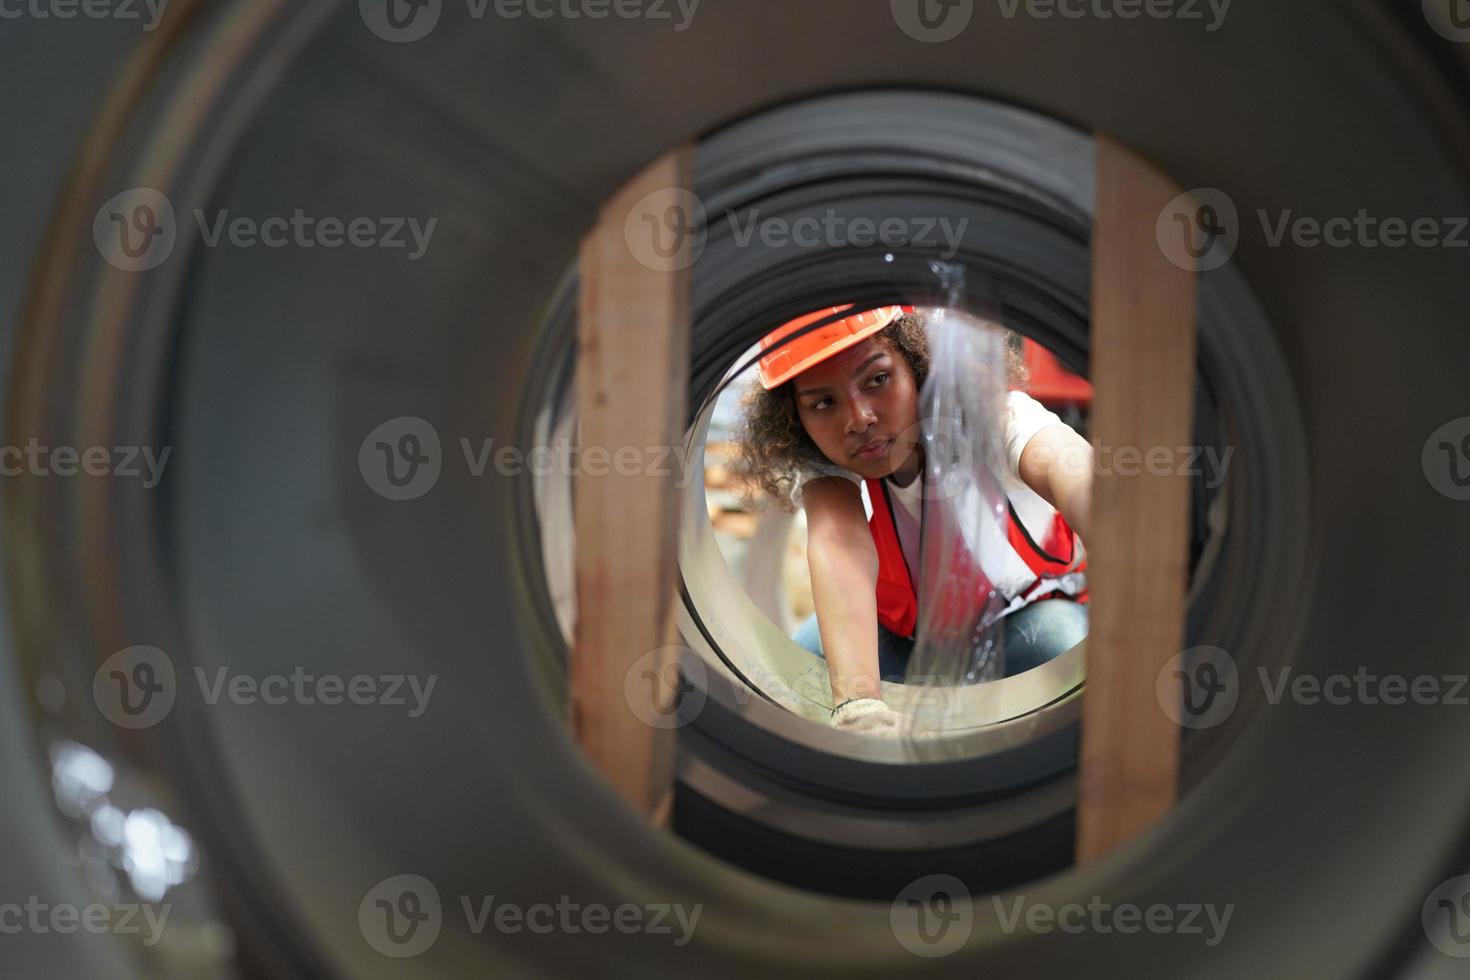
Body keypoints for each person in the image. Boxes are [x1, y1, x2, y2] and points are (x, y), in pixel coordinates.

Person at [731, 305, 1095, 734]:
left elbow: (1071, 470)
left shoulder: (995, 419)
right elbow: (838, 542)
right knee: (800, 674)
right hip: (903, 641)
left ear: (920, 366)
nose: (859, 418)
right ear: (796, 418)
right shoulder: (826, 466)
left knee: (1066, 645)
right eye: (824, 402)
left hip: (1022, 630)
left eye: (878, 379)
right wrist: (858, 706)